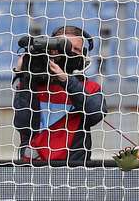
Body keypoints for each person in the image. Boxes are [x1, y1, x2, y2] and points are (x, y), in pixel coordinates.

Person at [12, 25, 107, 165]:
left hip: (74, 170)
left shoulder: (89, 87)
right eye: (65, 48)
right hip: (34, 169)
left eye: (76, 50)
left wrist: (66, 81)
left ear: (83, 55)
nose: (70, 53)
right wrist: (24, 76)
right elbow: (23, 124)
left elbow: (96, 115)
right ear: (52, 50)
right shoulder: (33, 85)